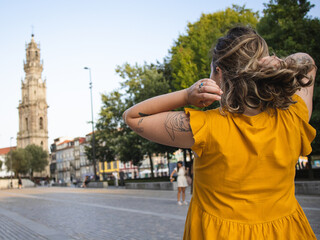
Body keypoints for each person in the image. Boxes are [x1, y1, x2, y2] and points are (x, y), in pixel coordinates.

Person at [123, 26, 317, 239]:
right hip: (286, 232)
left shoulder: (205, 127)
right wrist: (277, 64)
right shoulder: (293, 116)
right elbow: (307, 62)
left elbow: (133, 117)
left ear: (219, 72)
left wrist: (187, 96)